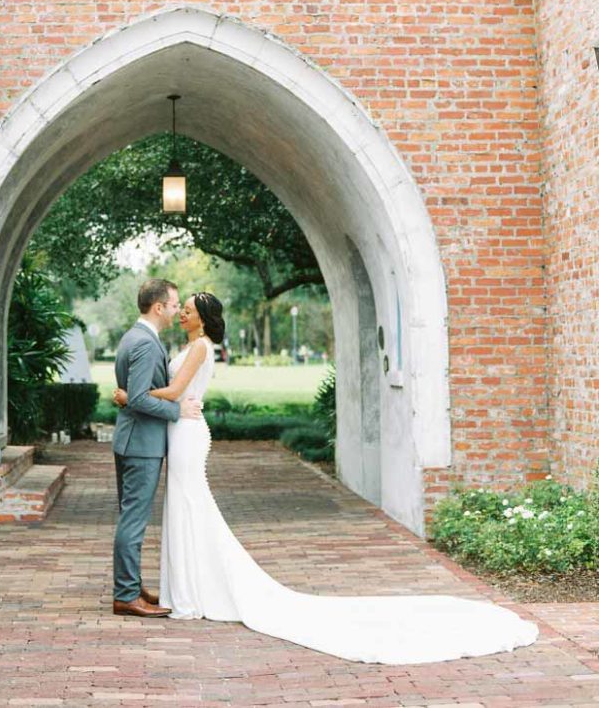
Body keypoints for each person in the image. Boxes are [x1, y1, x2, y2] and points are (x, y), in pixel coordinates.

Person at [113, 291, 540, 665]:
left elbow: (173, 393)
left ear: (203, 318)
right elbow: (169, 390)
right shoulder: (184, 345)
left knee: (190, 505)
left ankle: (194, 590)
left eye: (187, 309)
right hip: (178, 429)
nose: (182, 313)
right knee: (183, 507)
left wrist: (127, 397)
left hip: (188, 432)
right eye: (179, 308)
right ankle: (183, 586)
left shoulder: (202, 347)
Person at [112, 278, 202, 618]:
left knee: (130, 516)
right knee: (133, 520)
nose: (178, 310)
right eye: (176, 304)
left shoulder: (132, 337)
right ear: (159, 307)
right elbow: (136, 398)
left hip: (131, 439)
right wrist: (177, 411)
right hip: (141, 444)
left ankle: (131, 587)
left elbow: (128, 393)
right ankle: (125, 594)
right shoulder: (147, 344)